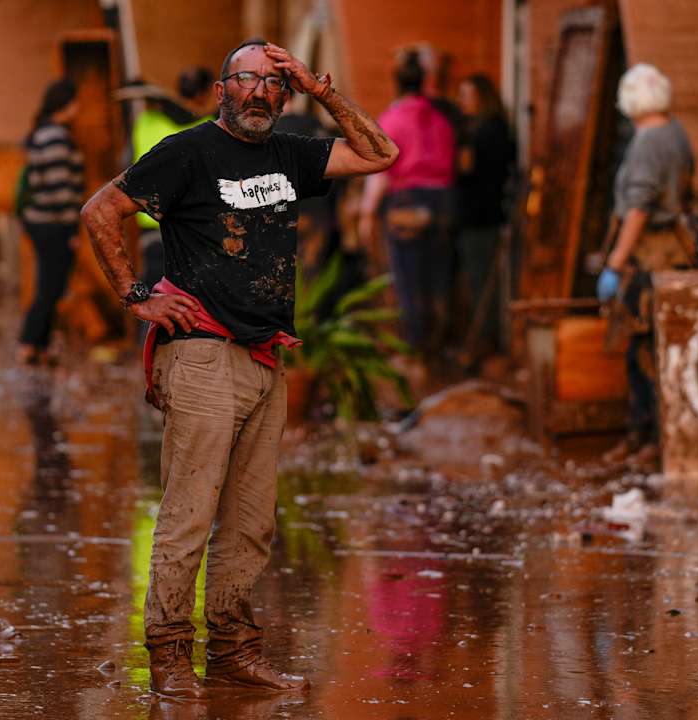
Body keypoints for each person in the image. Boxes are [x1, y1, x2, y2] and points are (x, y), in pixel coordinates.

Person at [80, 39, 397, 698]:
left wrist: (323, 90)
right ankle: (169, 658)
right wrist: (138, 294)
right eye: (247, 80)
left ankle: (233, 652)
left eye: (273, 85)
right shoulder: (187, 152)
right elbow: (101, 210)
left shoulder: (290, 154)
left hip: (264, 356)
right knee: (188, 515)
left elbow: (380, 153)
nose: (260, 93)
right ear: (223, 89)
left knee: (253, 522)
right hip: (199, 353)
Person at [595, 63, 695, 466]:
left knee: (645, 355)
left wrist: (615, 264)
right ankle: (646, 437)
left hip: (653, 258)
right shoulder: (676, 133)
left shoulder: (649, 142)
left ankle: (649, 439)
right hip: (675, 254)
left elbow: (638, 207)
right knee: (657, 351)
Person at [359, 50, 456, 356]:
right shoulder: (441, 120)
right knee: (439, 279)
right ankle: (440, 348)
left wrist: (367, 212)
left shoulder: (392, 119)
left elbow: (381, 171)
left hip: (407, 203)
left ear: (397, 85)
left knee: (410, 282)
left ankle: (416, 353)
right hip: (444, 203)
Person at [130, 67, 217, 292]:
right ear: (203, 95)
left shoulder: (146, 122)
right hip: (190, 230)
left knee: (152, 296)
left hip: (150, 225)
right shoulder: (207, 128)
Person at [16, 78, 84, 366]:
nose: (79, 108)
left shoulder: (43, 133)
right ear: (64, 105)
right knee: (51, 287)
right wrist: (72, 229)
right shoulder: (55, 137)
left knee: (51, 286)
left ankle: (39, 345)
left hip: (41, 221)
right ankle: (29, 343)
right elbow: (61, 189)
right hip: (53, 223)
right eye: (75, 102)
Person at [454, 73, 516, 364]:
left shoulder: (484, 133)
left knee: (482, 283)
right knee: (481, 282)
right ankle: (483, 342)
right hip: (484, 215)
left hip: (480, 218)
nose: (462, 102)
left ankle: (485, 345)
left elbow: (469, 172)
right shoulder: (496, 129)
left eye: (467, 95)